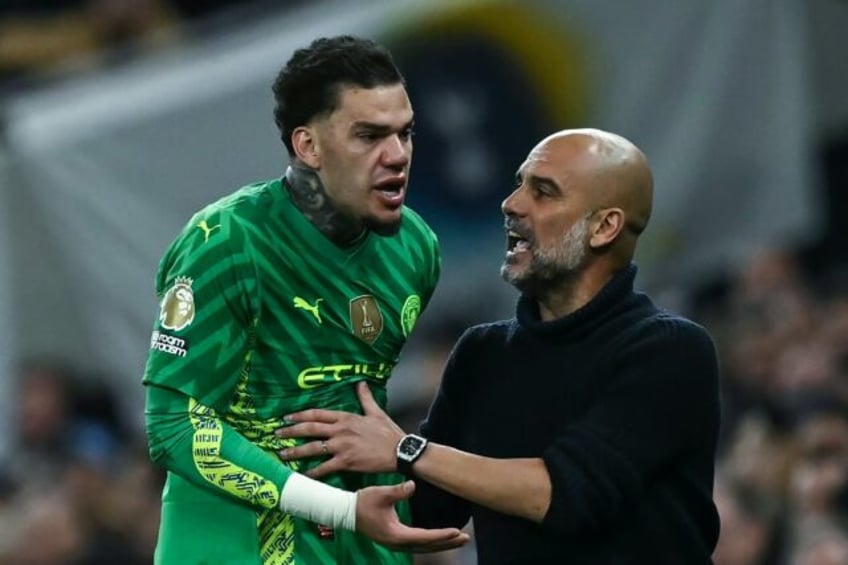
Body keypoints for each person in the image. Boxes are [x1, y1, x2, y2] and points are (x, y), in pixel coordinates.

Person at [277, 128, 722, 564]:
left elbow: (568, 496)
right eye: (518, 185)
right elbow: (423, 512)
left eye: (543, 192)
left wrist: (405, 449)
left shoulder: (669, 350)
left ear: (604, 227)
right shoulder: (483, 355)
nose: (511, 204)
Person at [142, 35, 468, 564]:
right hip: (233, 544)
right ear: (307, 146)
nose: (398, 156)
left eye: (405, 134)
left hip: (364, 540)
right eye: (369, 136)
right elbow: (174, 425)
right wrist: (337, 507)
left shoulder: (416, 250)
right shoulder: (226, 242)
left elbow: (358, 401)